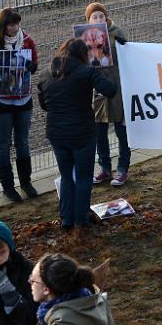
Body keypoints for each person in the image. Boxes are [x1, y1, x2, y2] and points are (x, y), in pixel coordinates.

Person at [37, 38, 117, 230]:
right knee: (83, 177)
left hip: (56, 132)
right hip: (82, 132)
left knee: (66, 176)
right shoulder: (87, 72)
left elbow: (44, 104)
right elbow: (110, 90)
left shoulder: (46, 74)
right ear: (83, 55)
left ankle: (66, 218)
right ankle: (81, 219)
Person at [0, 7, 39, 202]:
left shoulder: (26, 40)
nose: (15, 27)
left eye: (17, 23)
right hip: (1, 101)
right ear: (3, 25)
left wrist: (31, 67)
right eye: (11, 24)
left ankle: (26, 182)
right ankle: (8, 187)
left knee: (23, 142)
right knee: (3, 144)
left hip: (23, 99)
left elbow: (34, 63)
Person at [85, 2, 132, 187]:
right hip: (98, 91)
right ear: (88, 20)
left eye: (101, 16)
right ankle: (105, 168)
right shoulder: (84, 37)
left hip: (118, 87)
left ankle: (123, 169)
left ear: (106, 17)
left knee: (121, 130)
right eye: (94, 17)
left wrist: (123, 47)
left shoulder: (116, 33)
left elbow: (129, 59)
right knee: (99, 131)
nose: (98, 20)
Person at [30, 253, 114, 325]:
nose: (29, 282)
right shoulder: (95, 300)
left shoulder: (62, 324)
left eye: (33, 280)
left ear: (46, 290)